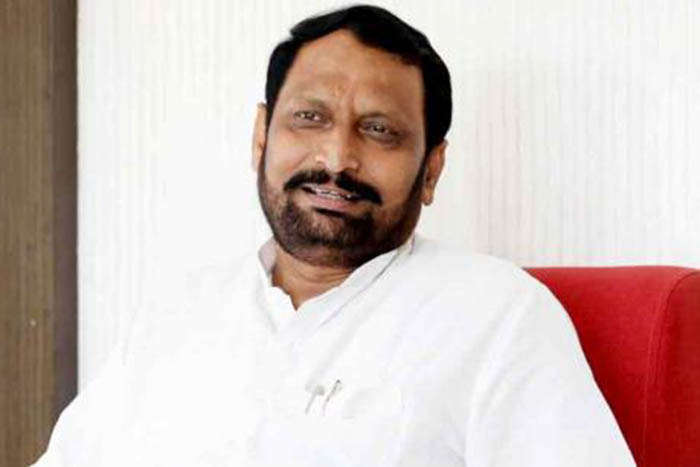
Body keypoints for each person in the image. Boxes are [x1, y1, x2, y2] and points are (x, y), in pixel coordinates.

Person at [34, 5, 634, 466]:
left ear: (431, 169)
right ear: (261, 136)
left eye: (379, 130)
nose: (337, 158)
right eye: (310, 118)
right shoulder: (178, 313)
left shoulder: (497, 315)